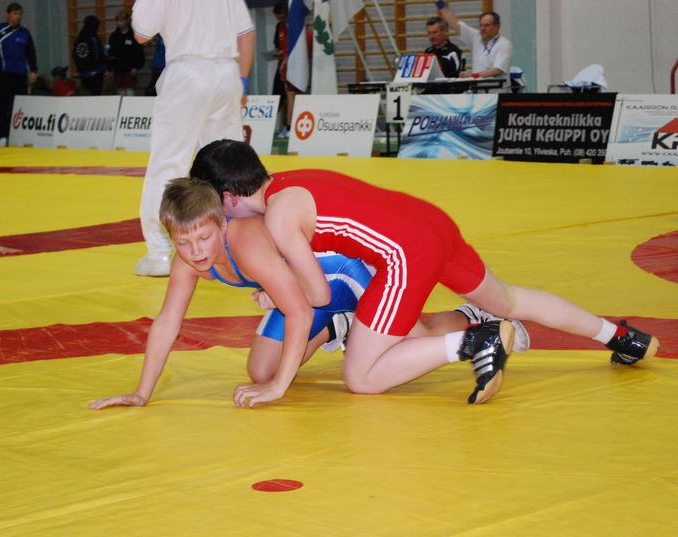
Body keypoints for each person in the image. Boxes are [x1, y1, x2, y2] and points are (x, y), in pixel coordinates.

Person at [189, 139, 660, 407]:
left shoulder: (276, 218)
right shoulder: (293, 182)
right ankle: (621, 337)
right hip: (431, 224)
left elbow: (316, 295)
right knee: (509, 299)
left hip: (403, 255)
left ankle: (477, 341)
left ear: (228, 198)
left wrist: (279, 299)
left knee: (362, 377)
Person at [89, 178, 528, 409]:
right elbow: (168, 322)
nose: (196, 252)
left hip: (339, 273)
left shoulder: (247, 244)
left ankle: (476, 320)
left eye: (203, 239)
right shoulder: (189, 258)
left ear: (222, 223)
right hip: (305, 289)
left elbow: (298, 311)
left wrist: (281, 388)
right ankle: (342, 327)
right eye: (183, 243)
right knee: (260, 371)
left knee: (413, 338)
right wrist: (142, 392)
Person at [130, 0, 255, 277]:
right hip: (227, 73)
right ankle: (241, 243)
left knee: (168, 162)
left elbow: (141, 33)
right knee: (229, 161)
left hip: (187, 72)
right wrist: (242, 80)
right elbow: (246, 33)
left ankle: (160, 252)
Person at [0, 2, 37, 147]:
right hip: (4, 74)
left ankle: (21, 136)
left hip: (20, 76)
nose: (18, 17)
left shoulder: (25, 33)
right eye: (15, 14)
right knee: (3, 106)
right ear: (8, 15)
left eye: (20, 14)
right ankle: (2, 136)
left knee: (21, 107)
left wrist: (33, 71)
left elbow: (31, 53)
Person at [435, 1, 511, 80]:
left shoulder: (504, 44)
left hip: (496, 87)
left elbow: (497, 70)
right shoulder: (476, 37)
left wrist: (473, 76)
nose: (483, 28)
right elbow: (455, 24)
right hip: (478, 86)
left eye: (487, 25)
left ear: (497, 27)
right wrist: (440, 4)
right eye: (481, 25)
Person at [108, 9, 145, 96]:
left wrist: (136, 67)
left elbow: (139, 53)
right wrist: (109, 69)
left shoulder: (134, 36)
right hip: (117, 69)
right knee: (119, 93)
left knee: (130, 93)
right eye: (117, 20)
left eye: (121, 20)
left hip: (130, 70)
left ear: (127, 21)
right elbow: (110, 53)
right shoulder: (114, 36)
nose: (119, 23)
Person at [73, 15, 107, 96]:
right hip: (95, 74)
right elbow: (97, 56)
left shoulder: (79, 39)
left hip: (84, 74)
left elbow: (75, 55)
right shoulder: (93, 39)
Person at [271, 2, 289, 136]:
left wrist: (286, 57)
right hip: (281, 67)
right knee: (277, 96)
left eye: (282, 17)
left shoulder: (293, 26)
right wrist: (277, 53)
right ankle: (274, 126)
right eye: (278, 17)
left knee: (291, 97)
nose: (280, 19)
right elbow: (277, 46)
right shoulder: (279, 27)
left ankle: (289, 126)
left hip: (291, 67)